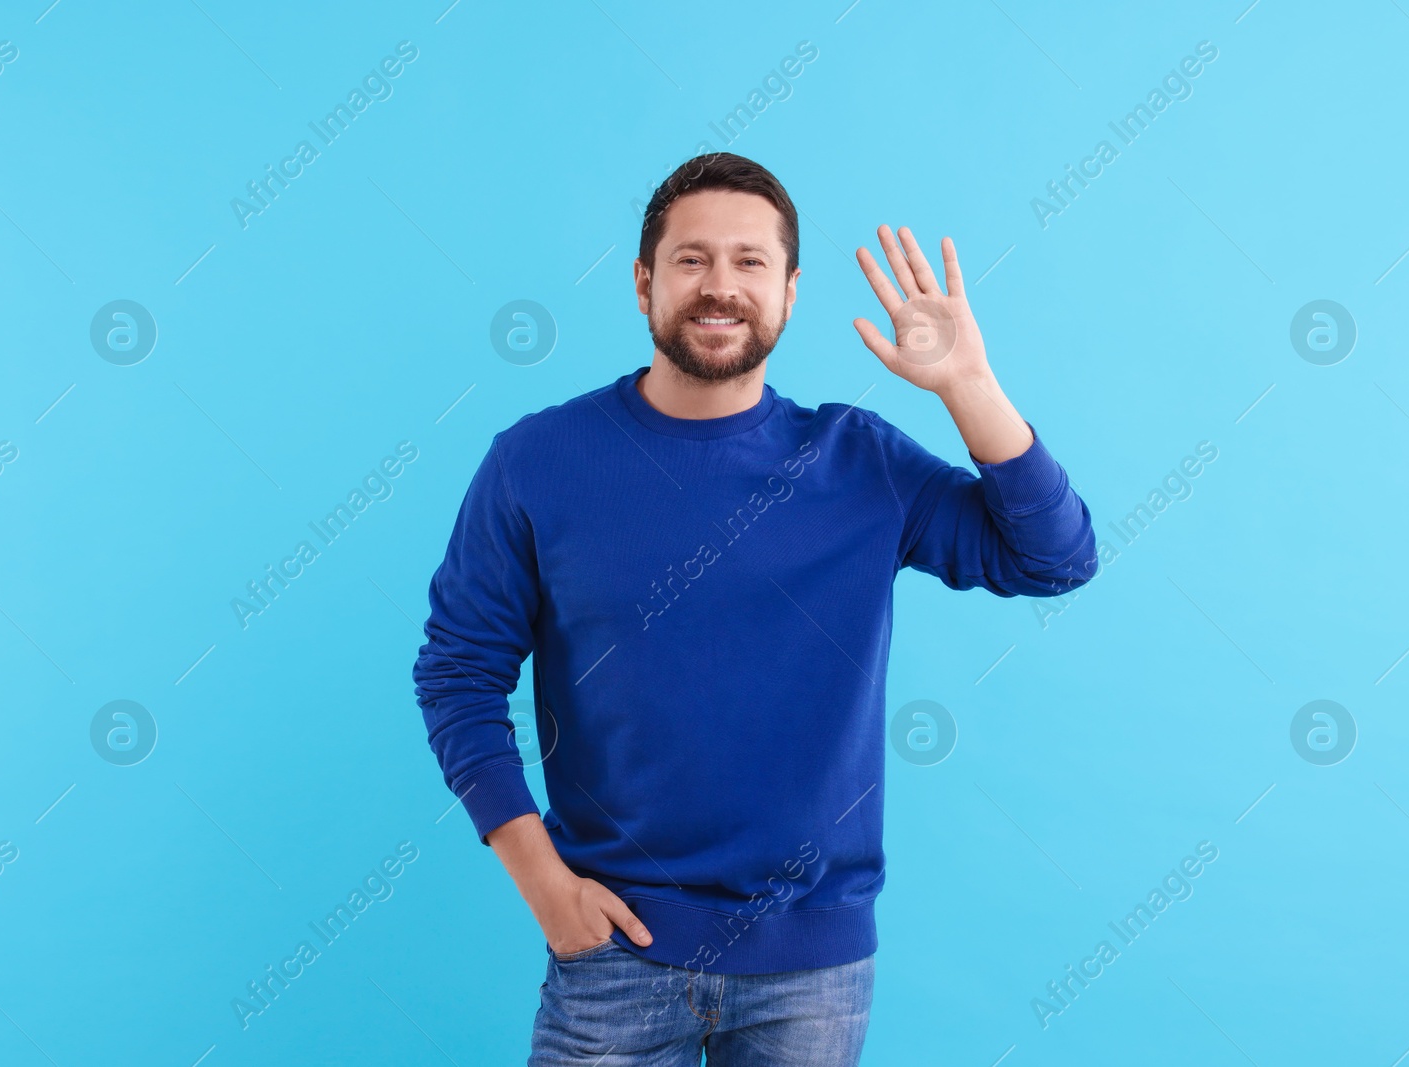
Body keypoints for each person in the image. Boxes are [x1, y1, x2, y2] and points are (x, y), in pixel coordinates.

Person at [412, 152, 1097, 1066]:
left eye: (749, 262)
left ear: (790, 290)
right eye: (692, 260)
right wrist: (543, 883)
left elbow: (1053, 558)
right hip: (612, 953)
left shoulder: (858, 461)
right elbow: (458, 672)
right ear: (644, 282)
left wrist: (967, 383)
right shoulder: (537, 460)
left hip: (811, 974)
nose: (719, 286)